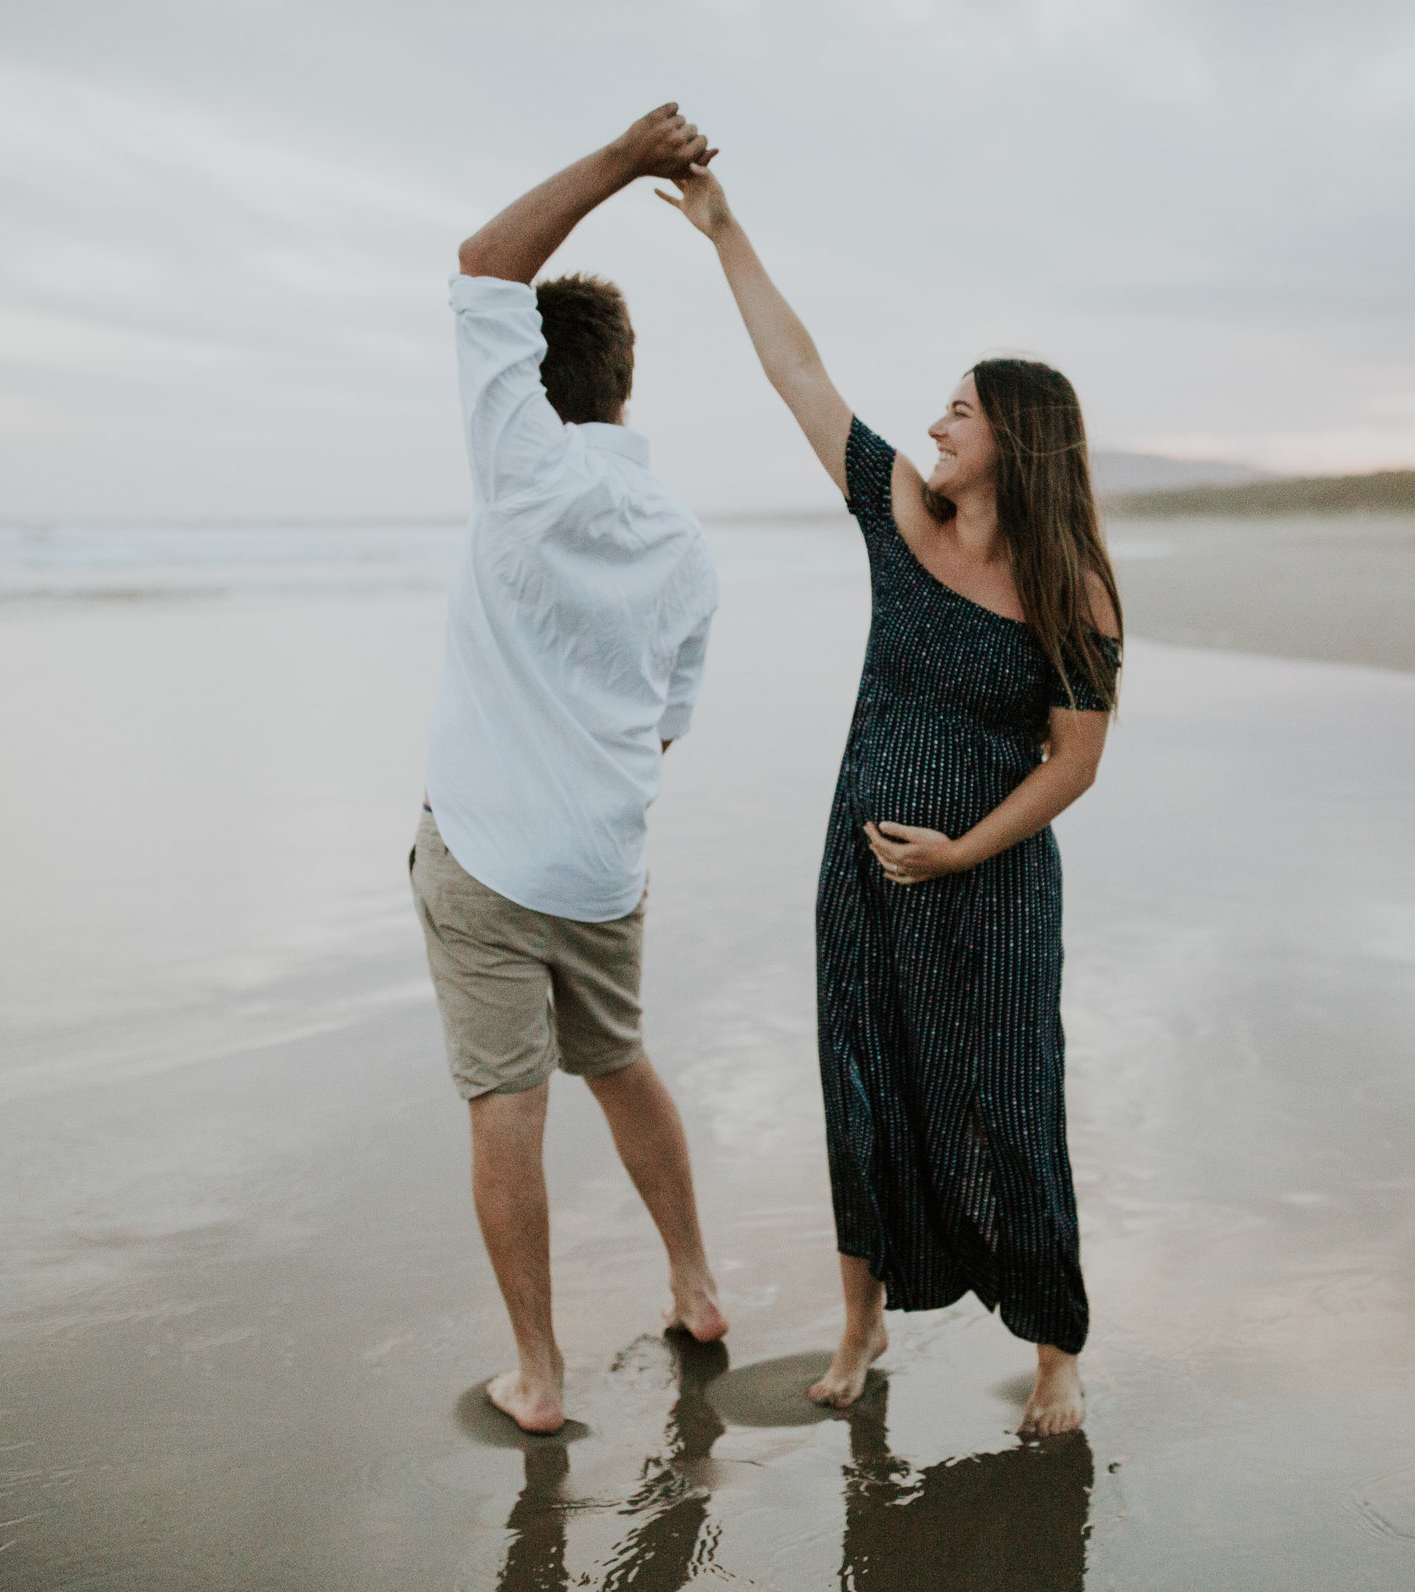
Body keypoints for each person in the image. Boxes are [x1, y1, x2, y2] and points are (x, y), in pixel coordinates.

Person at [659, 165, 1121, 1435]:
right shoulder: (897, 517)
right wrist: (723, 231)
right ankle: (860, 1319)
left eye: (960, 411)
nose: (935, 423)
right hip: (861, 868)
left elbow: (1073, 762)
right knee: (859, 1083)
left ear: (1013, 439)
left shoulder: (1073, 585)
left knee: (1010, 1094)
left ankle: (1054, 1350)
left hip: (993, 882)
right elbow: (799, 374)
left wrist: (961, 849)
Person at [416, 104, 729, 1436]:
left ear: (534, 383)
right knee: (620, 1059)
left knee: (508, 1097)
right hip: (605, 862)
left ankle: (540, 1374)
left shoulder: (524, 476)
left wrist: (622, 158)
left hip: (487, 852)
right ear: (624, 385)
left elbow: (487, 257)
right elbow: (664, 721)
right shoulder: (685, 539)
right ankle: (699, 1286)